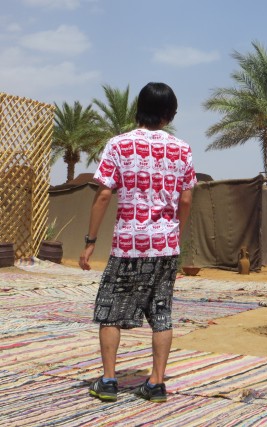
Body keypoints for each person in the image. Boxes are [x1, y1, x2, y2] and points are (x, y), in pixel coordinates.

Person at [79, 82, 196, 403]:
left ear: (137, 111)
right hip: (166, 247)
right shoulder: (182, 149)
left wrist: (90, 241)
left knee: (110, 312)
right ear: (170, 116)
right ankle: (156, 383)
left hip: (129, 246)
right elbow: (186, 200)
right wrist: (176, 234)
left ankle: (108, 381)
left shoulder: (118, 145)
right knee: (162, 314)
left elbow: (103, 193)